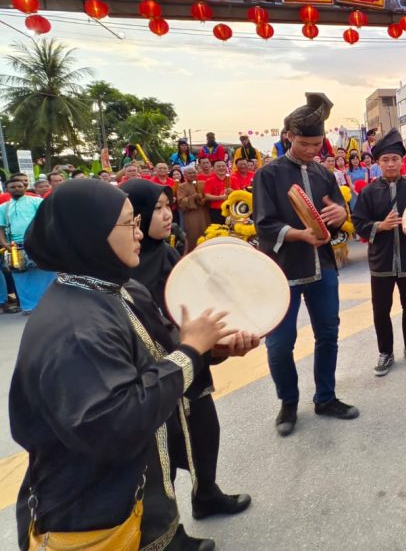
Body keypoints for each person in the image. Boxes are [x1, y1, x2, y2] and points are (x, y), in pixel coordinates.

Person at [10, 179, 234, 550]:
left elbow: (156, 356)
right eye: (129, 224)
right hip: (91, 509)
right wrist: (192, 351)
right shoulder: (75, 329)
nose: (138, 232)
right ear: (90, 234)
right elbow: (118, 421)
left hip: (130, 488)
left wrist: (213, 347)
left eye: (137, 221)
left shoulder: (118, 288)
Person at [120, 180, 255, 520]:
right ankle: (166, 526)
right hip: (149, 373)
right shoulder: (121, 264)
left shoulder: (167, 254)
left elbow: (188, 308)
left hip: (189, 362)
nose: (168, 215)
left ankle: (206, 493)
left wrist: (220, 344)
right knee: (158, 450)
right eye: (158, 209)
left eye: (169, 207)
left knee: (204, 430)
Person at [254, 93, 358, 436]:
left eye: (317, 144)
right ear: (288, 137)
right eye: (304, 143)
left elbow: (341, 214)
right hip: (283, 269)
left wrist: (342, 213)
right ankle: (288, 401)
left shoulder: (324, 173)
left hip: (322, 266)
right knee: (280, 343)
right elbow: (264, 224)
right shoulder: (268, 175)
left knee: (328, 333)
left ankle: (325, 397)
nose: (312, 150)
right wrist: (299, 234)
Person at [352, 128, 406, 376]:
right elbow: (358, 222)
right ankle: (385, 352)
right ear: (377, 163)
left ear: (402, 161)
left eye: (395, 159)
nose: (391, 164)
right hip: (381, 260)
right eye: (385, 159)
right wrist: (379, 226)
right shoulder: (368, 192)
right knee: (380, 309)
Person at [0, 174, 55, 314]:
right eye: (13, 187)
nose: (17, 189)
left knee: (45, 272)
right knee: (21, 276)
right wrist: (3, 242)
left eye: (20, 186)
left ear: (25, 187)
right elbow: (0, 227)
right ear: (7, 189)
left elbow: (46, 220)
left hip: (37, 242)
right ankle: (30, 307)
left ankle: (51, 304)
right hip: (15, 246)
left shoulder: (36, 201)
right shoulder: (3, 208)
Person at [176, 165, 210, 251]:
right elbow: (181, 201)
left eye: (194, 172)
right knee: (193, 235)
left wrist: (204, 199)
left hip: (204, 212)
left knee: (206, 232)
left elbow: (208, 195)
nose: (192, 174)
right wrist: (194, 197)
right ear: (185, 175)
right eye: (189, 173)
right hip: (191, 214)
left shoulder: (203, 183)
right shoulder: (181, 186)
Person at [203, 160, 232, 225]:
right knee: (219, 230)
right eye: (218, 166)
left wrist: (232, 191)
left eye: (223, 166)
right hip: (217, 210)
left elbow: (239, 193)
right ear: (213, 169)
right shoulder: (209, 180)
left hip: (231, 209)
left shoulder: (233, 179)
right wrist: (221, 197)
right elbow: (207, 196)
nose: (221, 168)